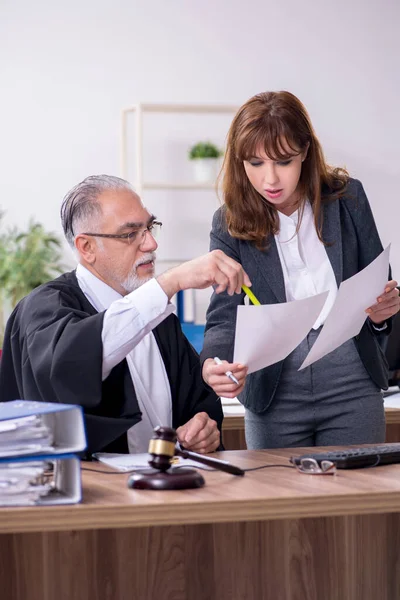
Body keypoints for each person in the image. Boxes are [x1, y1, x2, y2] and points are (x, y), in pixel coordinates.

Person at [201, 91, 400, 449]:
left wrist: (384, 312)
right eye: (255, 163)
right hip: (274, 389)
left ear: (306, 151)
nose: (270, 179)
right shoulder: (228, 223)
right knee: (277, 502)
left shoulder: (347, 199)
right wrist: (213, 363)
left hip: (351, 381)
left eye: (284, 161)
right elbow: (224, 316)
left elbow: (379, 290)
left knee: (355, 501)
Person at [0, 175, 250, 456]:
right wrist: (171, 282)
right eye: (130, 234)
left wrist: (204, 428)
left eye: (149, 227)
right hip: (90, 495)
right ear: (87, 247)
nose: (151, 244)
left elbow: (198, 403)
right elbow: (73, 365)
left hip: (169, 490)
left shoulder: (159, 318)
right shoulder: (44, 307)